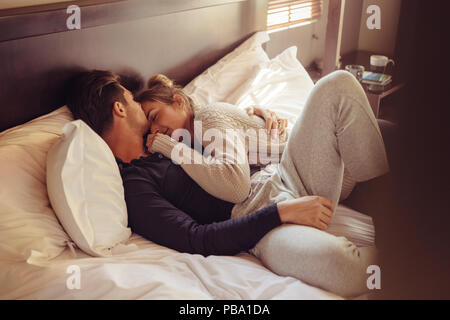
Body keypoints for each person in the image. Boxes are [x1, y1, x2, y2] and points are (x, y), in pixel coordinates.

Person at [67, 69, 389, 297]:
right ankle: (420, 256)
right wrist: (279, 214)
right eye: (133, 101)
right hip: (261, 225)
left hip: (282, 175)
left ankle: (396, 206)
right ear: (120, 108)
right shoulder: (136, 184)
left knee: (337, 86)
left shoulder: (170, 135)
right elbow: (196, 238)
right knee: (348, 270)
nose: (140, 105)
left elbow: (220, 131)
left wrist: (260, 119)